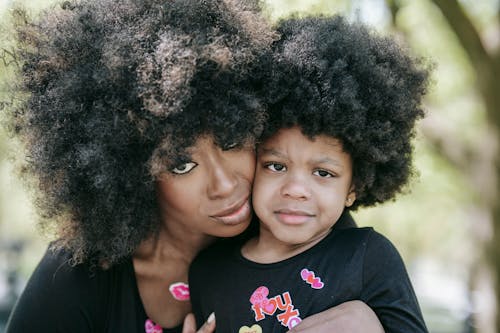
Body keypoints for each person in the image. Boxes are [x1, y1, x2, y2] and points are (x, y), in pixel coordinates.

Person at [2, 1, 385, 332]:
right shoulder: (78, 275)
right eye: (182, 164)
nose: (223, 184)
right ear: (131, 171)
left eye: (233, 141)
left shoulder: (304, 231)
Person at [189, 15, 430, 332]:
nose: (295, 189)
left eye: (323, 173)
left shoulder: (368, 258)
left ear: (353, 187)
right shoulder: (208, 271)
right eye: (276, 166)